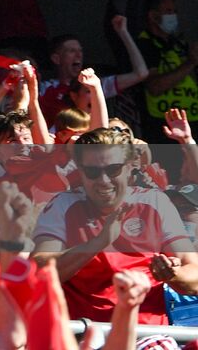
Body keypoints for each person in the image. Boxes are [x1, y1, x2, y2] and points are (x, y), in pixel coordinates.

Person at [34, 126, 198, 323]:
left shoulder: (154, 202)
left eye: (113, 170)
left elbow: (194, 276)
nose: (104, 181)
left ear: (129, 167)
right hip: (86, 334)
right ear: (80, 170)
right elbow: (40, 271)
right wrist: (99, 242)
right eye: (92, 172)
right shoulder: (63, 204)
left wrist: (172, 274)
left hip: (145, 333)